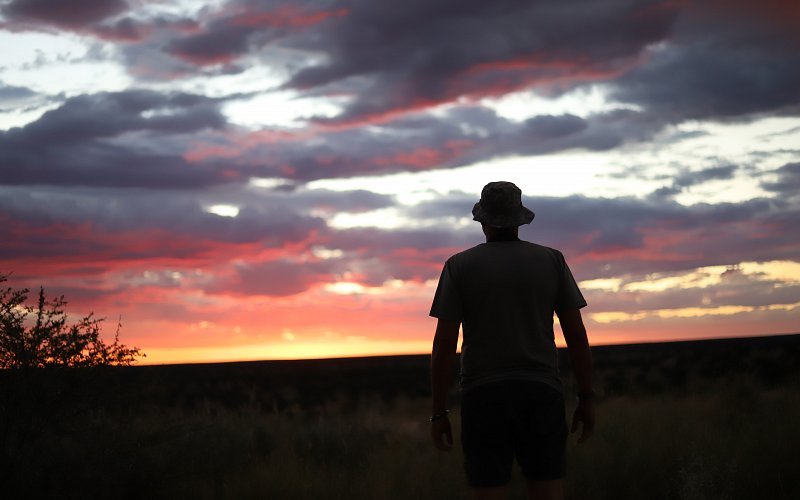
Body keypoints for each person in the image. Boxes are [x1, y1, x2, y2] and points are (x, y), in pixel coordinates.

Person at [429, 181, 595, 500]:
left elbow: (444, 347)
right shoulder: (552, 261)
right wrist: (586, 398)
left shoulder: (458, 266)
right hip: (541, 392)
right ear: (520, 219)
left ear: (483, 220)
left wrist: (439, 411)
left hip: (483, 395)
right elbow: (576, 335)